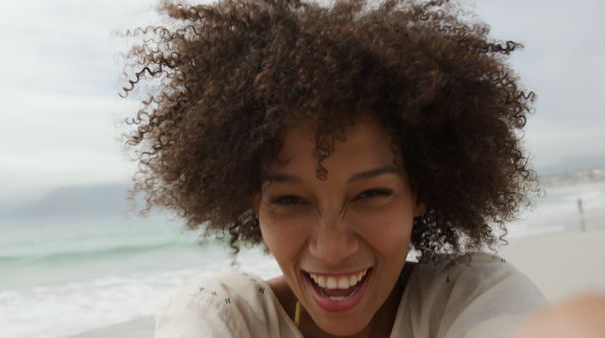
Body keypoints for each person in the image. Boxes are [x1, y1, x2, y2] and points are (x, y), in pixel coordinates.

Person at [121, 0, 555, 336]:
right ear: (253, 201)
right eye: (289, 200)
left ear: (420, 190)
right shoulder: (225, 317)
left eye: (370, 194)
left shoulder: (474, 300)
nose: (331, 250)